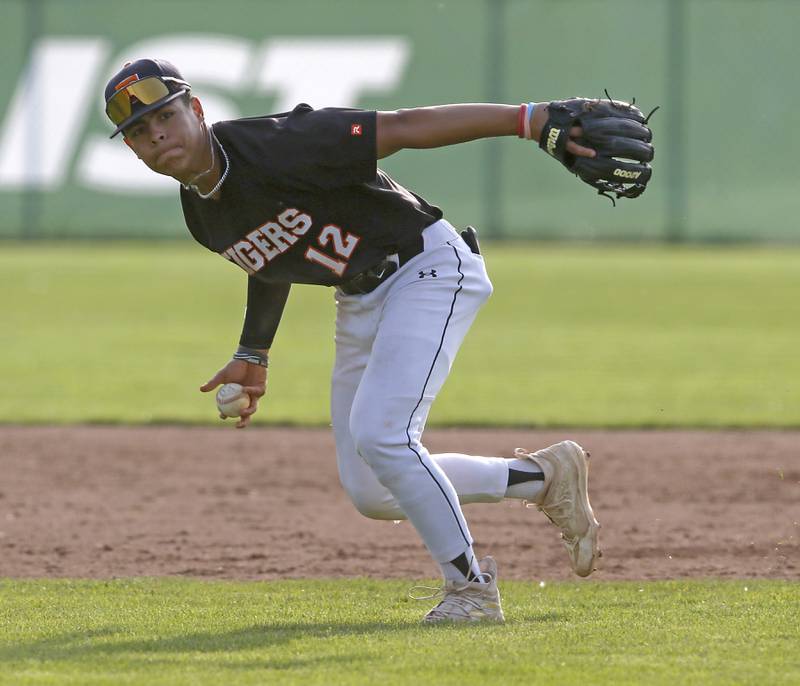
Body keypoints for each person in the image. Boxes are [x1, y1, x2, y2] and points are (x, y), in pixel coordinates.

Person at [104, 58, 601, 623]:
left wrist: (528, 119)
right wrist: (252, 354)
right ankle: (545, 478)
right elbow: (270, 261)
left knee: (383, 435)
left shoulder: (280, 143)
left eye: (164, 115)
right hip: (359, 298)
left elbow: (406, 127)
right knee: (372, 489)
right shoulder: (201, 213)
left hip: (426, 268)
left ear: (196, 110)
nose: (157, 134)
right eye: (139, 132)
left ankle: (470, 590)